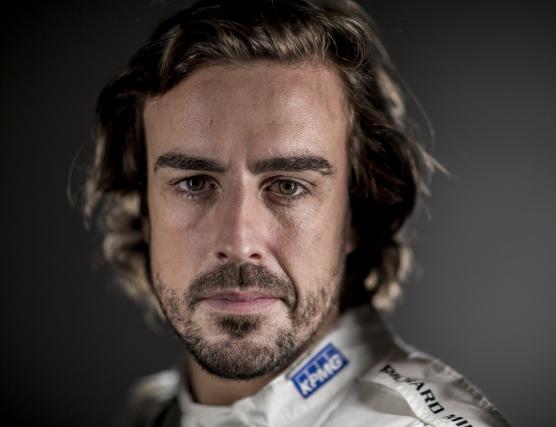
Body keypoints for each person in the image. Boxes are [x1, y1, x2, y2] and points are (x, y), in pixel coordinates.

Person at [84, 1, 512, 426]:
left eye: (288, 186)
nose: (239, 242)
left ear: (357, 213)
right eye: (194, 183)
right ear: (143, 208)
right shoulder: (142, 412)